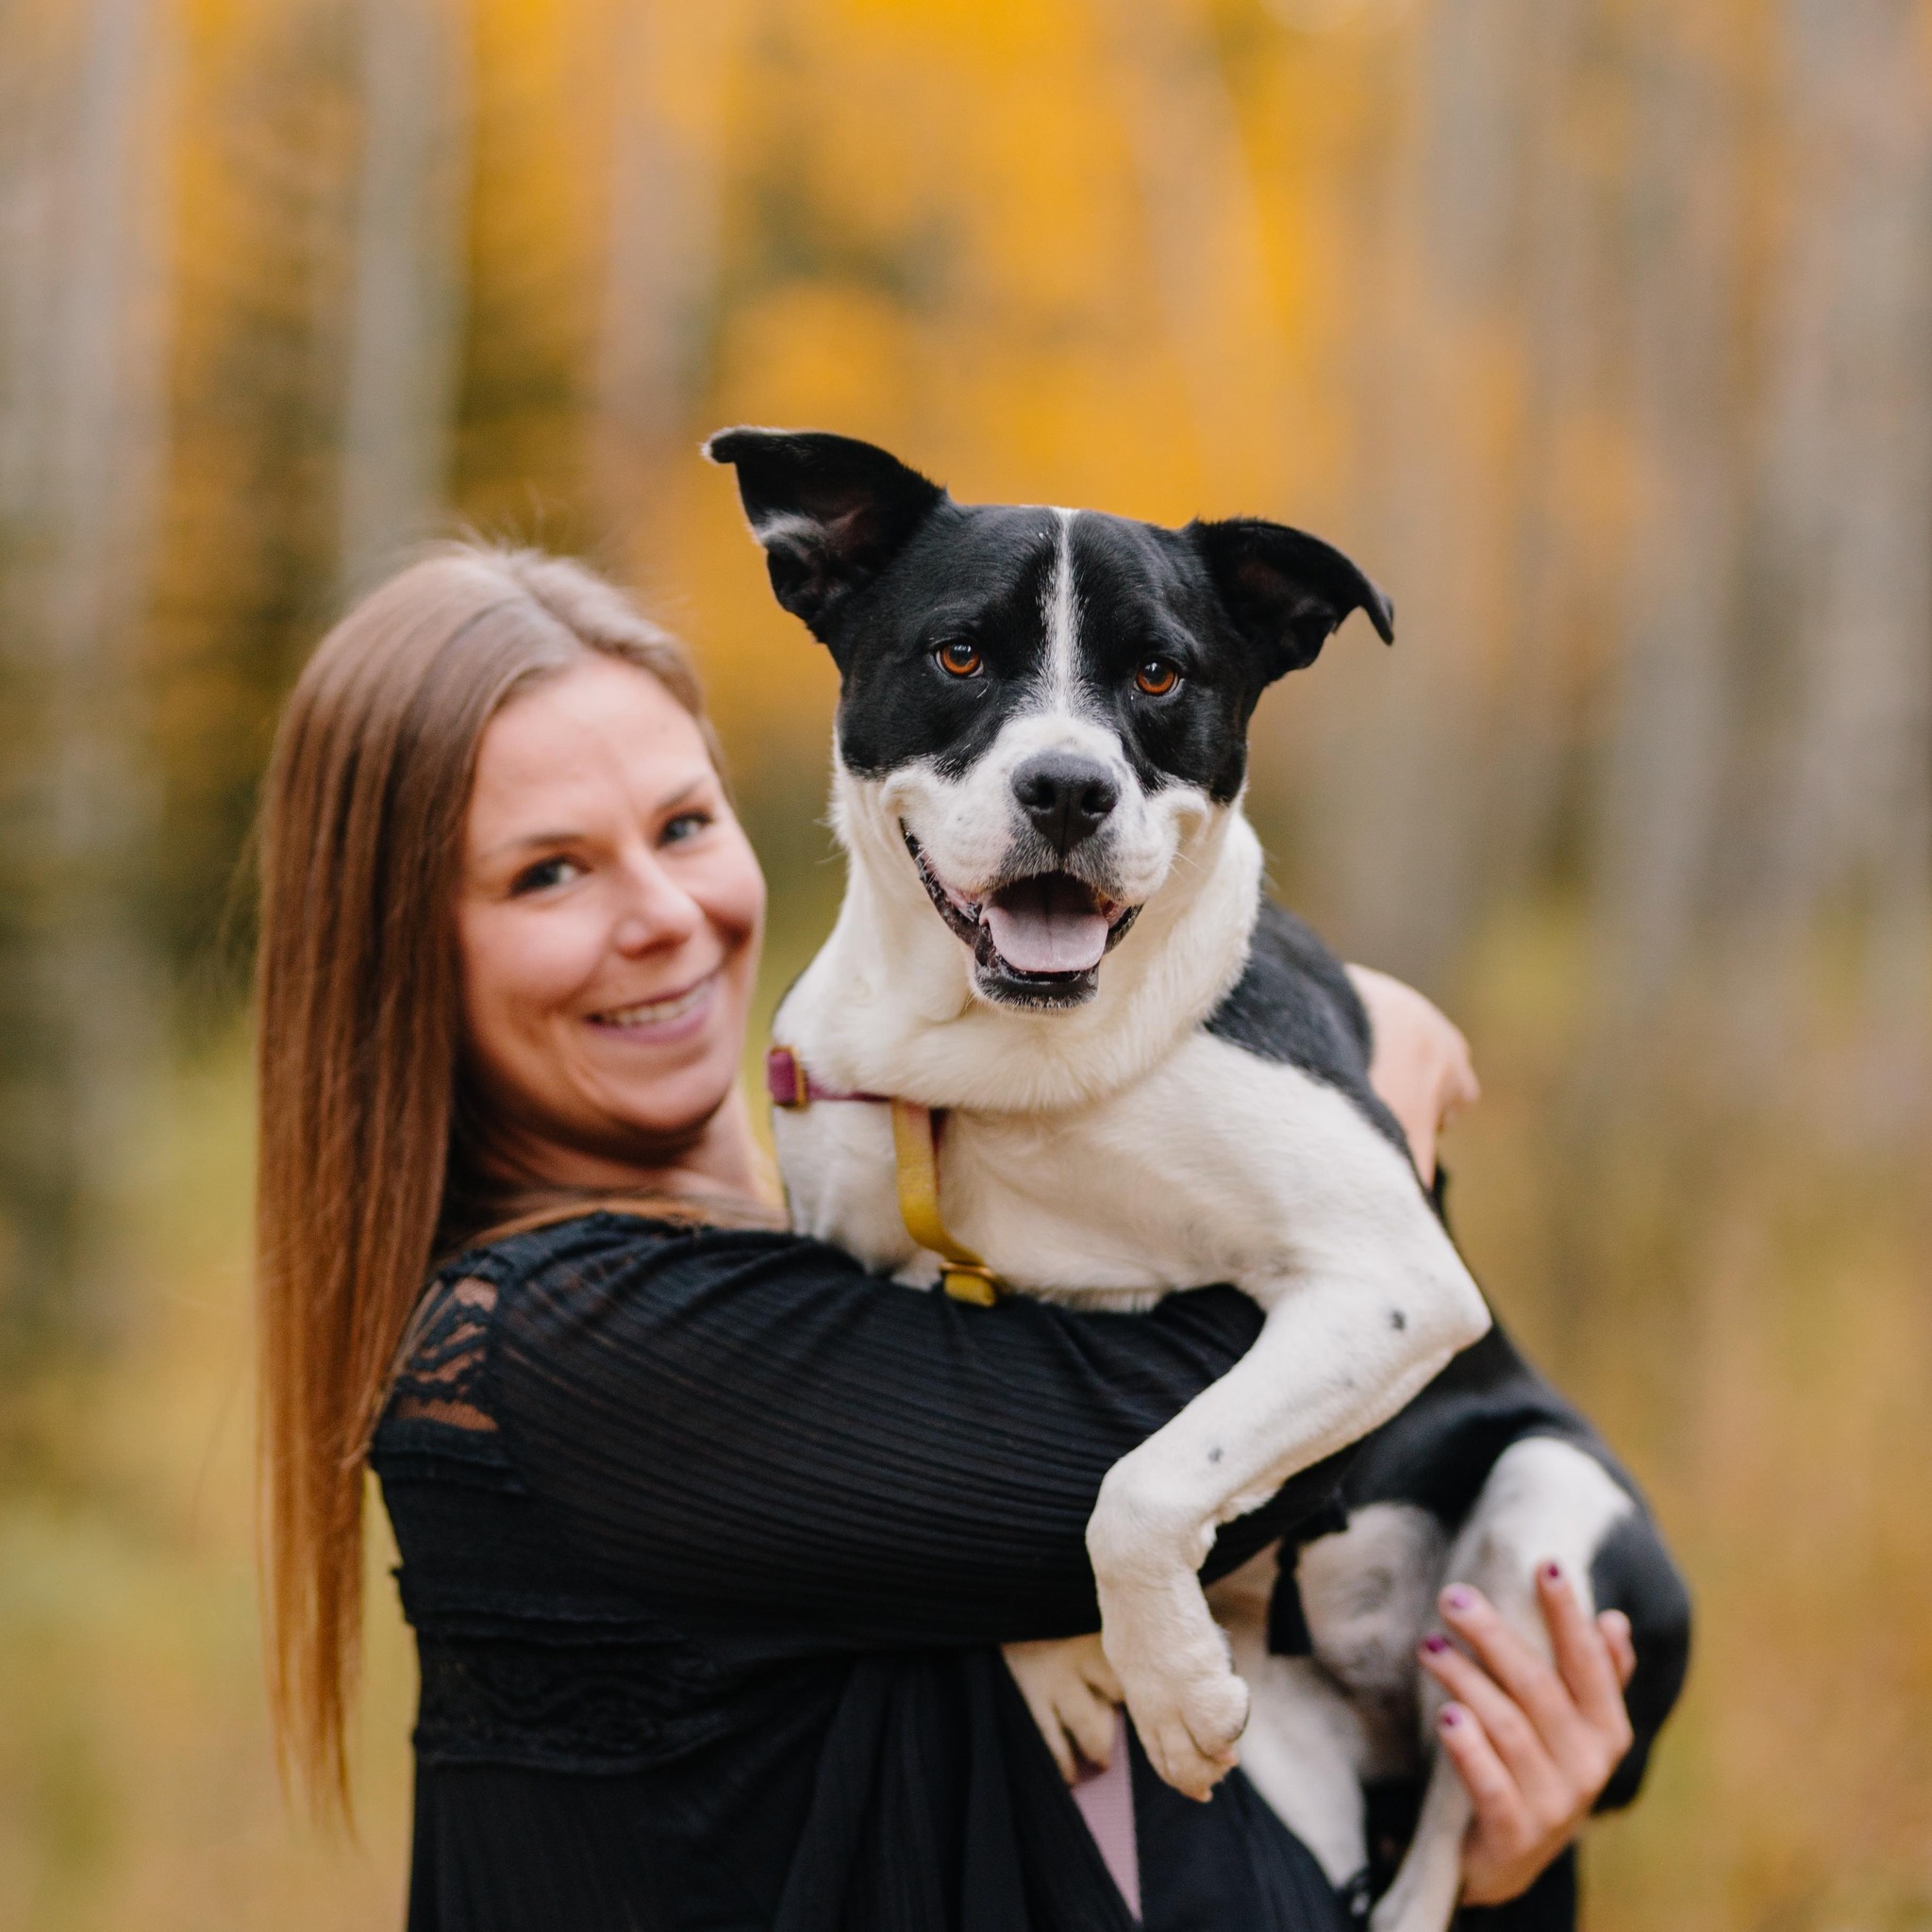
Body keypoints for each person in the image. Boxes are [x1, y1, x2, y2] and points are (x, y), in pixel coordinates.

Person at [255, 544, 1681, 1932]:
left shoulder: (860, 1224)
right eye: (546, 875)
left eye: (685, 826)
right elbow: (1143, 1442)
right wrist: (1381, 1107)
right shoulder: (559, 1347)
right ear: (404, 952)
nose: (665, 916)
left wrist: (1490, 1867)